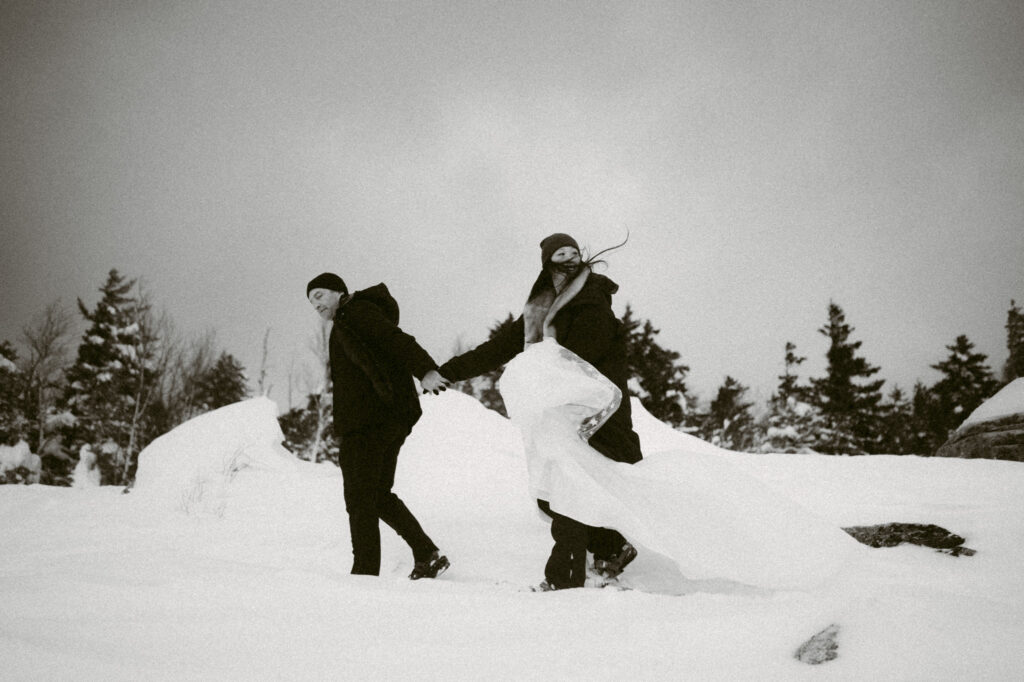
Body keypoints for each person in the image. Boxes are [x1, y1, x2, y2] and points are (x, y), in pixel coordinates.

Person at [438, 234, 642, 590]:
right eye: (560, 255)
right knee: (552, 495)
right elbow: (500, 347)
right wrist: (449, 371)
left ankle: (564, 579)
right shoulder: (540, 309)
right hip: (560, 411)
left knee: (568, 488)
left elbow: (584, 353)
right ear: (547, 263)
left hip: (596, 412)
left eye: (573, 253)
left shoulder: (593, 300)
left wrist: (543, 362)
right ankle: (612, 547)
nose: (568, 260)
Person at [306, 272, 451, 580]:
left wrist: (425, 370)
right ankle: (426, 552)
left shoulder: (356, 312)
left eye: (319, 295)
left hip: (370, 422)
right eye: (310, 301)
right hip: (383, 418)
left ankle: (364, 576)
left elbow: (396, 340)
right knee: (378, 495)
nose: (315, 304)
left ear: (337, 292)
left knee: (359, 499)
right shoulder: (346, 321)